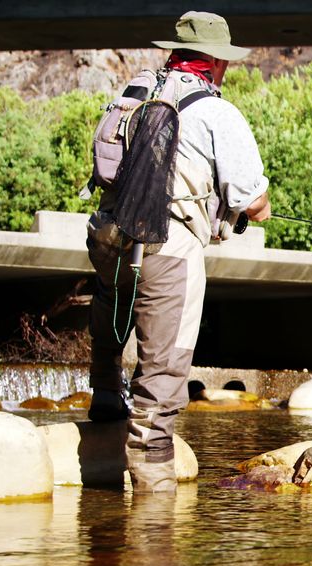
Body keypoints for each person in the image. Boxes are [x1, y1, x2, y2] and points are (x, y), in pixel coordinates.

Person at [85, 11, 271, 492]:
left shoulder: (135, 93)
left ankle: (105, 391)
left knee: (109, 301)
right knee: (165, 363)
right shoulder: (217, 112)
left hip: (107, 235)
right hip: (167, 247)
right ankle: (153, 490)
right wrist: (260, 207)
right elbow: (253, 201)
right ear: (214, 62)